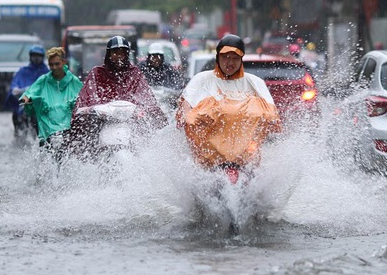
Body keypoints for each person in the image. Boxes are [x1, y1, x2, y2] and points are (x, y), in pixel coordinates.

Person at [176, 34, 282, 177]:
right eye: (225, 57)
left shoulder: (255, 82)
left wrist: (270, 122)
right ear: (218, 58)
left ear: (241, 59)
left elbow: (271, 113)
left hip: (246, 156)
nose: (230, 62)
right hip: (209, 158)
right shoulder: (202, 80)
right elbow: (186, 106)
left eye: (235, 58)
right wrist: (187, 117)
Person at [70, 35, 168, 154]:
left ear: (127, 54)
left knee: (144, 141)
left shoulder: (134, 73)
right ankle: (91, 157)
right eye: (115, 53)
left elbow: (144, 96)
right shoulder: (97, 73)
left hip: (129, 121)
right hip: (102, 120)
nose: (119, 56)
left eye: (122, 53)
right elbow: (88, 96)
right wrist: (88, 109)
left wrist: (148, 110)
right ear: (108, 54)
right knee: (88, 139)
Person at [19, 47, 83, 151]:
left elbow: (84, 98)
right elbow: (30, 92)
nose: (54, 67)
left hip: (67, 129)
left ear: (64, 62)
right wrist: (26, 99)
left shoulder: (73, 81)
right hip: (48, 129)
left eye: (57, 64)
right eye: (51, 65)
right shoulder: (43, 80)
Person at [4, 45, 50, 137]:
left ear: (42, 57)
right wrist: (18, 90)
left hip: (40, 106)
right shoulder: (23, 71)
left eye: (38, 56)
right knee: (17, 116)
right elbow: (14, 86)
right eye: (34, 56)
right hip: (24, 103)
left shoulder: (47, 72)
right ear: (30, 57)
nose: (36, 58)